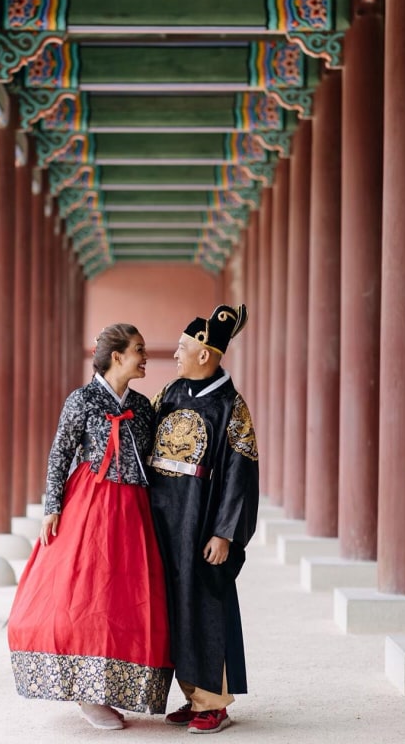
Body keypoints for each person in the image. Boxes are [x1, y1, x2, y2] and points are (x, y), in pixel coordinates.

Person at [8, 324, 173, 730]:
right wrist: (52, 506)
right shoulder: (81, 400)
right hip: (90, 505)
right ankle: (87, 693)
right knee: (86, 597)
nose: (145, 355)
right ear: (117, 356)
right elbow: (59, 453)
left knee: (127, 598)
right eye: (138, 349)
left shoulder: (143, 406)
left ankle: (114, 689)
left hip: (134, 507)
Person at [146, 304, 260, 734]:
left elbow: (240, 474)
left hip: (202, 516)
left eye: (181, 347)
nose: (174, 354)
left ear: (204, 353)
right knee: (174, 604)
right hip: (164, 516)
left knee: (206, 603)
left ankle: (214, 700)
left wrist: (225, 533)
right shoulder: (170, 393)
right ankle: (192, 693)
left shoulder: (231, 406)